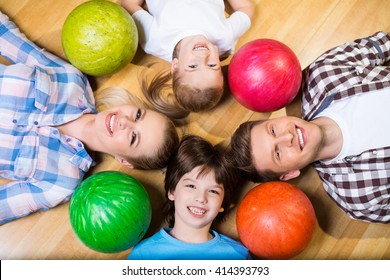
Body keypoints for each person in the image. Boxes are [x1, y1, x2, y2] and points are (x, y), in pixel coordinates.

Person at [0, 12, 179, 225]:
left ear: (124, 161)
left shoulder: (61, 183)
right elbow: (9, 40)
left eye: (133, 137)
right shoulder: (71, 79)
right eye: (138, 115)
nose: (125, 121)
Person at [229, 31, 390, 224]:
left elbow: (382, 46)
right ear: (289, 174)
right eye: (277, 154)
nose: (286, 138)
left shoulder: (323, 74)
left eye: (273, 130)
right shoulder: (357, 199)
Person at [120, 0, 254, 122]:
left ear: (175, 66)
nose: (203, 56)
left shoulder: (154, 39)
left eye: (193, 66)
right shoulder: (224, 38)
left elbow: (128, 5)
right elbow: (245, 7)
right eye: (212, 65)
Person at [128, 135, 251, 260]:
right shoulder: (143, 254)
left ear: (222, 205)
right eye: (191, 186)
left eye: (213, 191)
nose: (201, 198)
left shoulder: (237, 256)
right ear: (172, 191)